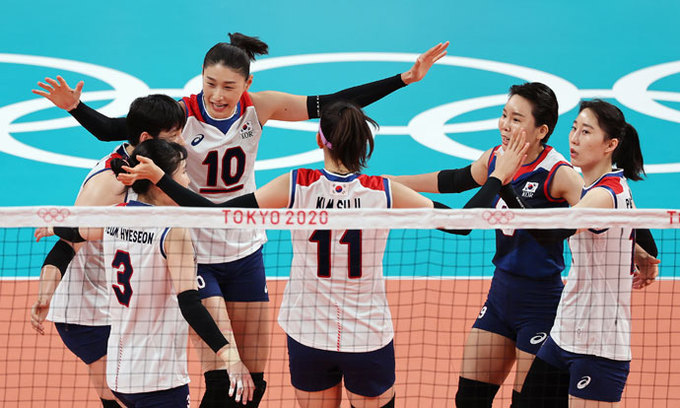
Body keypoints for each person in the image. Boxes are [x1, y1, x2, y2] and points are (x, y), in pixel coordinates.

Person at [33, 33, 448, 408]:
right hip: (194, 249)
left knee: (253, 381)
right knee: (222, 375)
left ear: (246, 84)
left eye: (229, 86)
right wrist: (76, 108)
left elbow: (333, 102)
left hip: (244, 247)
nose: (218, 95)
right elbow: (115, 129)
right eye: (210, 84)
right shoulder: (182, 115)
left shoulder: (260, 107)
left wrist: (405, 79)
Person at [116, 101, 461, 408]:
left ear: (320, 140)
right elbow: (461, 225)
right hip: (367, 335)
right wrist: (489, 179)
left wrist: (162, 178)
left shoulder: (297, 184)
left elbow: (216, 214)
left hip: (308, 333)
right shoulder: (383, 191)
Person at [388, 82, 586, 407]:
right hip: (499, 299)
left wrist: (636, 243)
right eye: (504, 115)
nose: (505, 125)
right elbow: (453, 180)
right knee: (469, 400)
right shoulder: (496, 158)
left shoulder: (558, 174)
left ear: (541, 131)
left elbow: (597, 211)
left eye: (516, 119)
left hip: (541, 306)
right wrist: (389, 183)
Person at [34, 139, 255, 407]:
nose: (187, 181)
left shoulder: (115, 215)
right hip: (159, 377)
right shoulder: (172, 231)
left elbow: (78, 231)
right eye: (183, 172)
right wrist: (230, 356)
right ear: (159, 182)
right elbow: (190, 304)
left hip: (120, 374)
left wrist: (54, 227)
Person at [487, 100, 659, 407]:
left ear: (610, 145)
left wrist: (504, 184)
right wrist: (639, 252)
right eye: (574, 128)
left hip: (600, 347)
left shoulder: (604, 195)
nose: (575, 138)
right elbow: (637, 234)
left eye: (586, 132)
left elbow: (550, 234)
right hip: (563, 335)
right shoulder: (607, 187)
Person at [30, 94, 186, 408]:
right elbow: (68, 242)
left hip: (119, 302)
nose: (181, 142)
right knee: (121, 396)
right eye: (173, 136)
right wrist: (46, 293)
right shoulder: (107, 184)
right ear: (147, 139)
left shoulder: (152, 168)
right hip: (88, 310)